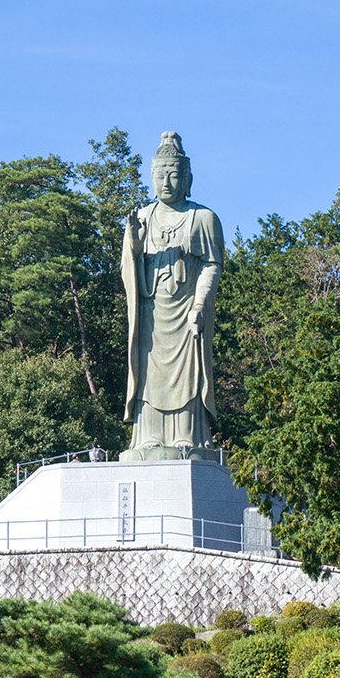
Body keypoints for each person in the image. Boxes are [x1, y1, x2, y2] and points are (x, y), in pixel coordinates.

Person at [120, 132, 223, 461]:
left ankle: (187, 435)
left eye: (174, 174)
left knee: (187, 373)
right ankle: (148, 437)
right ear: (152, 176)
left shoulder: (202, 218)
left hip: (185, 313)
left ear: (188, 178)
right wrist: (134, 243)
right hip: (151, 311)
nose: (167, 182)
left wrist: (200, 304)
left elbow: (212, 264)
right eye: (161, 174)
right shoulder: (144, 217)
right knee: (150, 375)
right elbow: (128, 264)